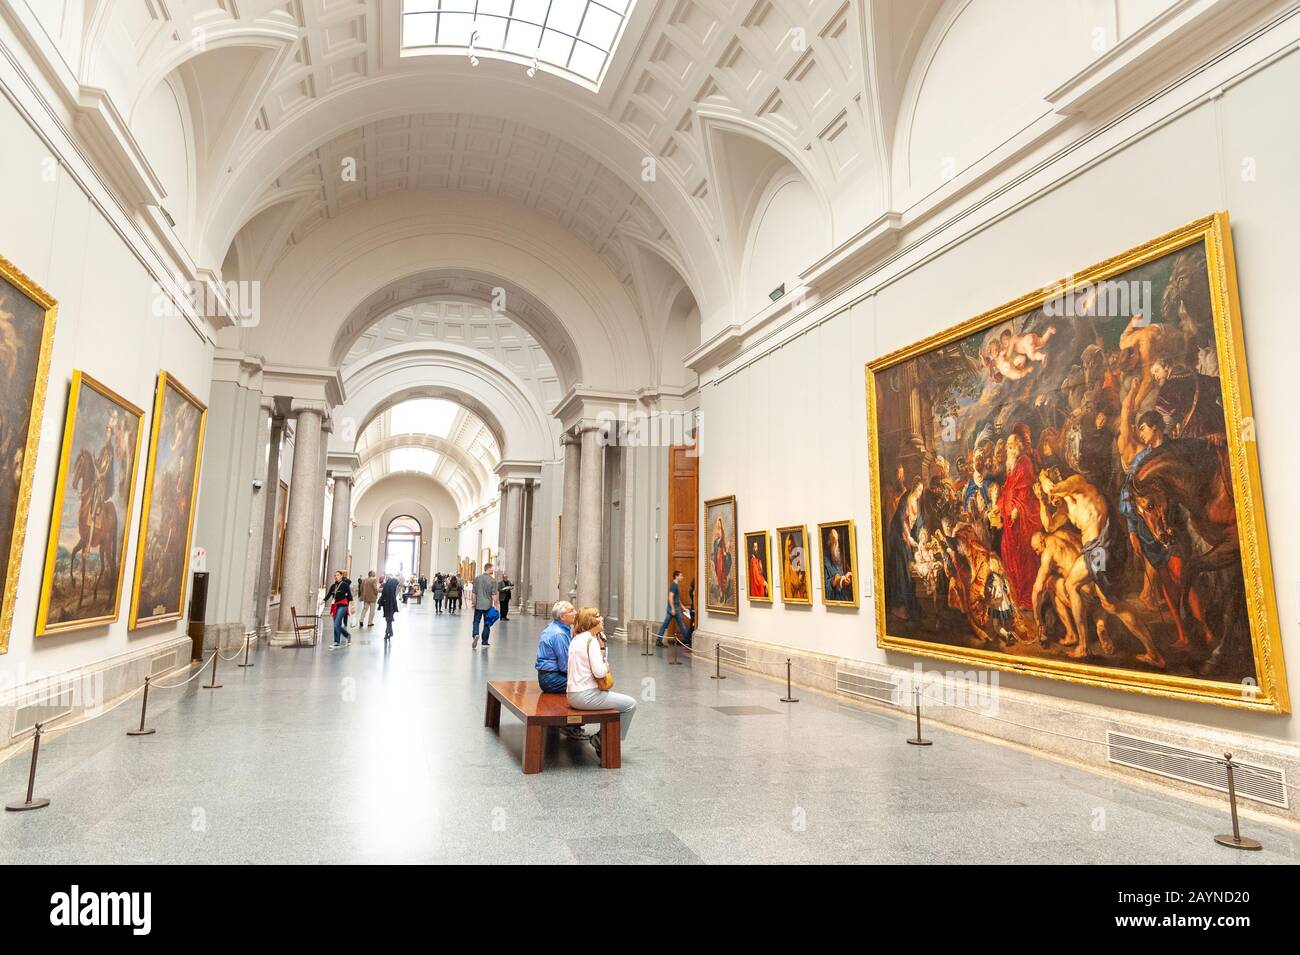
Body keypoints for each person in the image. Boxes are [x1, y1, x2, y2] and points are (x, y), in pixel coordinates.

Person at [567, 607, 636, 759]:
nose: (602, 618)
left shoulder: (576, 639)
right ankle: (602, 739)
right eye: (598, 616)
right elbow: (599, 672)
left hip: (572, 694)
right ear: (590, 621)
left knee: (617, 701)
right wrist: (606, 666)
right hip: (585, 696)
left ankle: (602, 738)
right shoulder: (590, 641)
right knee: (630, 704)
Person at [656, 570, 692, 647]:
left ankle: (658, 640)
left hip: (674, 609)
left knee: (665, 625)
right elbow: (670, 597)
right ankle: (688, 641)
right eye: (681, 575)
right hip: (674, 609)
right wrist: (672, 609)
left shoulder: (676, 585)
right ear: (676, 576)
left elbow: (677, 599)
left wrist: (683, 607)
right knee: (681, 625)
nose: (682, 577)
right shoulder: (674, 585)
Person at [470, 562, 500, 649]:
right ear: (488, 568)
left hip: (479, 604)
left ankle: (475, 634)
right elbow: (494, 595)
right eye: (492, 568)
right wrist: (496, 605)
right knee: (487, 623)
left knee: (476, 621)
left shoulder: (477, 578)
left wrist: (473, 603)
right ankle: (484, 642)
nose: (493, 570)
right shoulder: (493, 580)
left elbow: (474, 593)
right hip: (487, 605)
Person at [323, 570, 352, 649]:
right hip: (335, 606)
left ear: (341, 576)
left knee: (336, 624)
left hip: (343, 605)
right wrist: (323, 601)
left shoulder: (345, 585)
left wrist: (352, 607)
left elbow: (349, 596)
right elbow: (329, 594)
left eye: (338, 575)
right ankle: (347, 635)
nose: (336, 577)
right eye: (335, 575)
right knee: (337, 625)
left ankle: (336, 642)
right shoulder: (333, 586)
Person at [378, 572, 400, 642]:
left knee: (388, 619)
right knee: (389, 619)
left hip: (386, 604)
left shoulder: (386, 585)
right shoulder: (394, 585)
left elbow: (383, 595)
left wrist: (379, 605)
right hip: (392, 604)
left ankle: (387, 632)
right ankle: (389, 631)